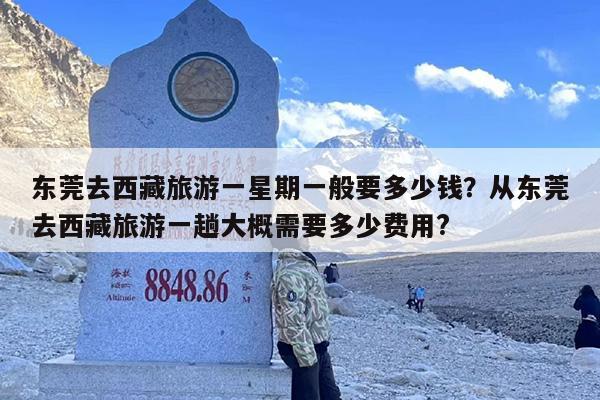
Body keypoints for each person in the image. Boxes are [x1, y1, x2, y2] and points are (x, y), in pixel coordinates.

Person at [272, 248, 342, 400]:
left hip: (319, 348)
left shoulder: (306, 268)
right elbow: (292, 319)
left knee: (332, 396)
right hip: (301, 351)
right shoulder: (291, 274)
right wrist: (307, 357)